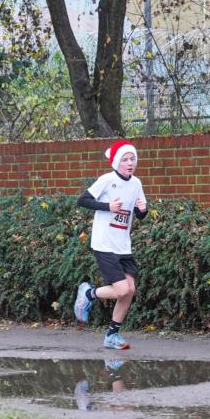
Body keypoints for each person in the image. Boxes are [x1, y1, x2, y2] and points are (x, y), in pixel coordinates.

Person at [73, 140, 148, 350]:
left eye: (132, 158)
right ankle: (88, 294)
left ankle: (112, 335)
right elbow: (83, 200)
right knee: (122, 289)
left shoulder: (136, 183)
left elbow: (140, 215)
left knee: (130, 290)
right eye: (125, 159)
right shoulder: (107, 180)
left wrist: (142, 209)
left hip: (123, 245)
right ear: (116, 162)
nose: (130, 163)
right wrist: (108, 206)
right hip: (104, 243)